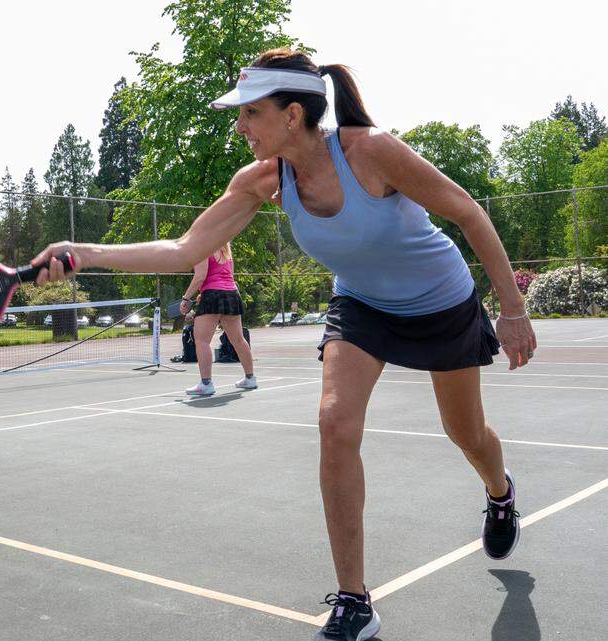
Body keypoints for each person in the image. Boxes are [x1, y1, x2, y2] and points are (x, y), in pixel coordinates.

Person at [31, 49, 536, 641]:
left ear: (292, 115)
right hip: (363, 306)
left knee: (465, 432)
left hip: (440, 302)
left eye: (250, 113)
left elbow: (469, 213)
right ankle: (355, 600)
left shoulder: (370, 150)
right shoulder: (263, 180)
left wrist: (513, 308)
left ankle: (499, 494)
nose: (240, 126)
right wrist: (84, 254)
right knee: (334, 422)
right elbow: (184, 251)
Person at [179, 242, 256, 395]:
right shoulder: (226, 248)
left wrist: (186, 298)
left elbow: (200, 276)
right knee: (239, 340)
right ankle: (250, 378)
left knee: (201, 340)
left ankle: (206, 384)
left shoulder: (203, 247)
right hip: (232, 294)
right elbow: (228, 276)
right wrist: (203, 292)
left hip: (214, 295)